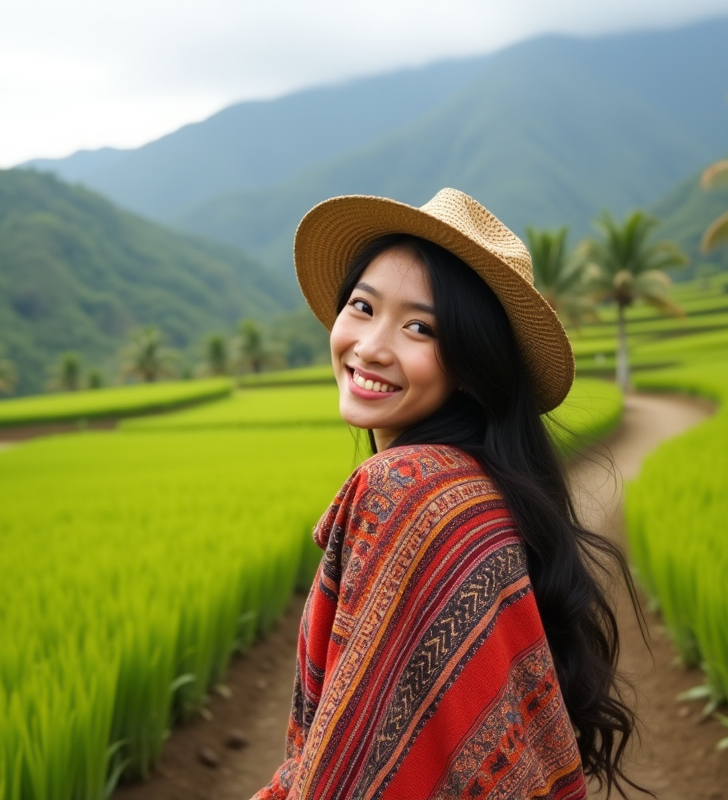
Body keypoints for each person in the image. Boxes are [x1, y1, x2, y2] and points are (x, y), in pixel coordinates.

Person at [254, 189, 640, 800]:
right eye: (362, 306)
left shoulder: (405, 490)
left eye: (420, 327)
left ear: (473, 359)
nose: (372, 346)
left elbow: (354, 774)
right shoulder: (476, 487)